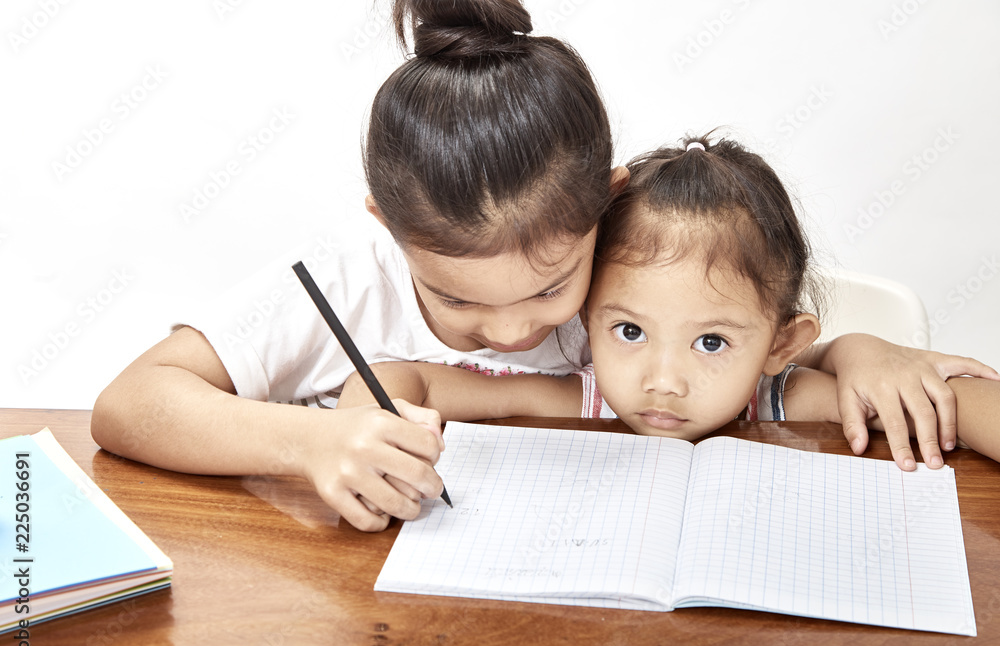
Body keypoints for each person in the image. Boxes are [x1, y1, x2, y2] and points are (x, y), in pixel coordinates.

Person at [92, 1, 995, 533]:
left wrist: (858, 348)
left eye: (552, 288)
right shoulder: (341, 280)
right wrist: (313, 440)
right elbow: (128, 405)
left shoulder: (632, 278)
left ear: (605, 205)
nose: (517, 329)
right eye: (452, 295)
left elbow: (752, 336)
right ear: (387, 227)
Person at [343, 135, 1000, 465]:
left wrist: (871, 355)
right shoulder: (590, 398)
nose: (661, 381)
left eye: (711, 341)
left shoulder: (780, 399)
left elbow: (970, 405)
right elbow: (410, 382)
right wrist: (365, 420)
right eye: (629, 331)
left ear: (780, 345)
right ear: (584, 315)